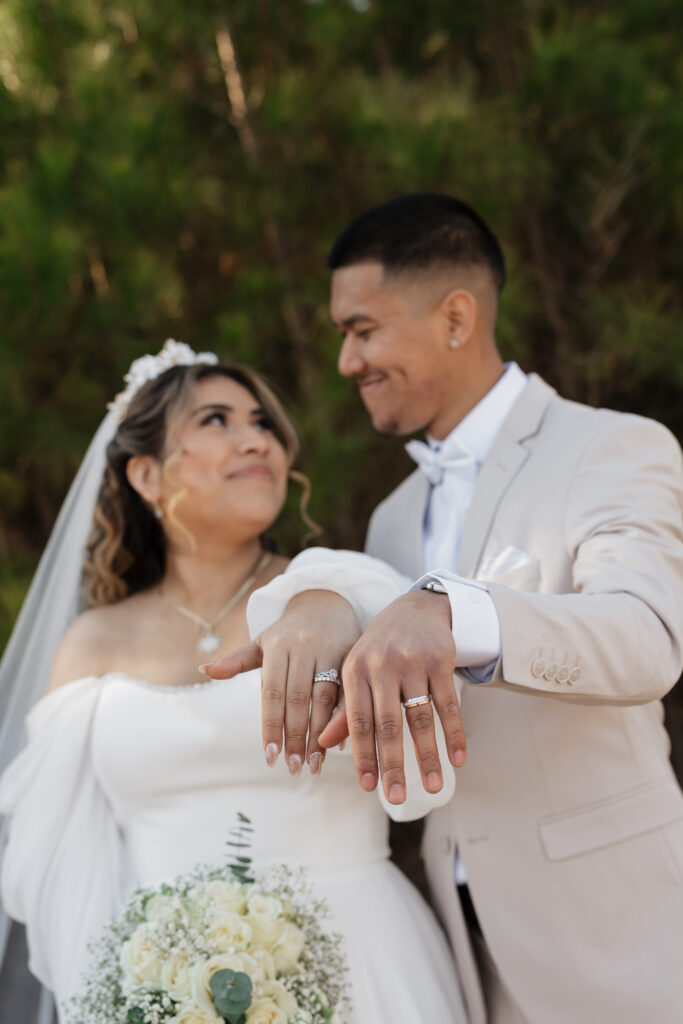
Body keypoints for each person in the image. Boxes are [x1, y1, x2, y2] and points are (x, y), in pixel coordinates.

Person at [208, 194, 683, 1024]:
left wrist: (453, 608)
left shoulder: (611, 445)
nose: (346, 361)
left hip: (617, 937)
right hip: (459, 947)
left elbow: (647, 638)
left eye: (362, 329)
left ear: (456, 318)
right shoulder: (392, 516)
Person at [0, 340, 466, 1023]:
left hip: (358, 959)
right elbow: (64, 863)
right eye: (216, 421)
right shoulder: (92, 643)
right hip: (157, 983)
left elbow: (428, 776)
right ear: (147, 475)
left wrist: (329, 599)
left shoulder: (349, 594)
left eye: (264, 424)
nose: (257, 441)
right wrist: (122, 993)